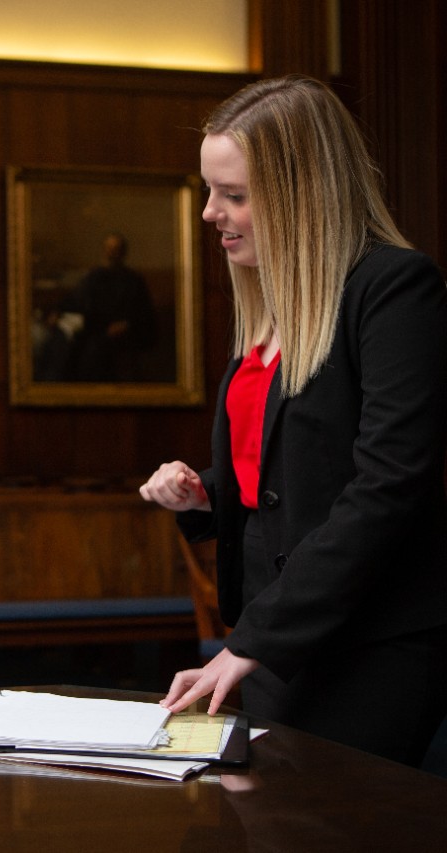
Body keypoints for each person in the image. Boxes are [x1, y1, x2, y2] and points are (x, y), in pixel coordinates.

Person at [139, 74, 447, 766]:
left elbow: (386, 486)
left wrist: (252, 641)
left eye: (235, 195)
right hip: (278, 638)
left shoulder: (394, 289)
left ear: (302, 194)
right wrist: (206, 493)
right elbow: (285, 473)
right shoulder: (271, 303)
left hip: (371, 642)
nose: (210, 212)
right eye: (211, 190)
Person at [63, 232, 158, 381]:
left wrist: (126, 324)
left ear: (123, 252)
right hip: (97, 331)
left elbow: (144, 312)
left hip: (127, 332)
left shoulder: (134, 280)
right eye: (109, 248)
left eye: (116, 249)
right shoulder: (93, 277)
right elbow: (80, 304)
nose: (112, 252)